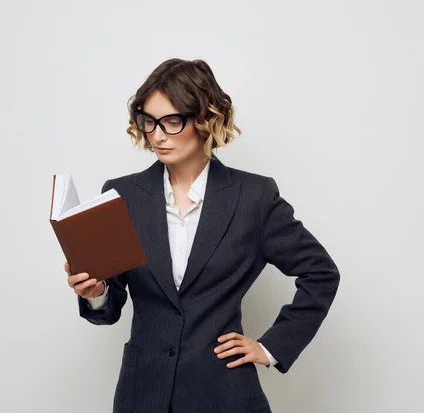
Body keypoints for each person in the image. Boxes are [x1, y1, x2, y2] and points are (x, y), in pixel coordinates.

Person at [64, 58, 340, 413]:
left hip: (223, 394)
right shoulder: (123, 197)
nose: (157, 135)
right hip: (142, 395)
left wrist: (271, 348)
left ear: (205, 120)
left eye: (172, 121)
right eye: (148, 121)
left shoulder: (253, 198)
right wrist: (97, 293)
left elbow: (321, 273)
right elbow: (110, 308)